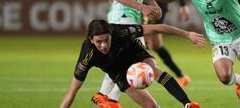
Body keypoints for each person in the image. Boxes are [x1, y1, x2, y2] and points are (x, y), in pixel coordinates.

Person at [59, 19, 205, 108]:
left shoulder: (120, 31)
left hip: (135, 54)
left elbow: (156, 28)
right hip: (118, 73)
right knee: (151, 106)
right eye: (99, 42)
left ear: (111, 35)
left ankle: (187, 103)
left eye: (106, 40)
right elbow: (72, 92)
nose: (103, 45)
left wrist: (187, 34)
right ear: (91, 40)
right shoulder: (87, 56)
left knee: (153, 70)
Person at [92, 0, 162, 108]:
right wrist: (144, 7)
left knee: (130, 59)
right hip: (122, 16)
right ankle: (105, 95)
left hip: (133, 15)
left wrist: (152, 0)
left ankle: (110, 98)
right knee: (136, 58)